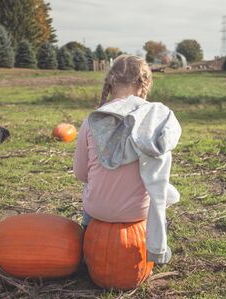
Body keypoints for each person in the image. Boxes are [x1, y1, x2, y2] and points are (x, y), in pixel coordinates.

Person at [73, 55, 181, 264]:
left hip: (98, 209)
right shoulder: (156, 119)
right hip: (138, 212)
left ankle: (86, 251)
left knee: (90, 195)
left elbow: (80, 174)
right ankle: (157, 246)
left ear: (111, 83)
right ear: (144, 84)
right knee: (159, 193)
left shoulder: (93, 120)